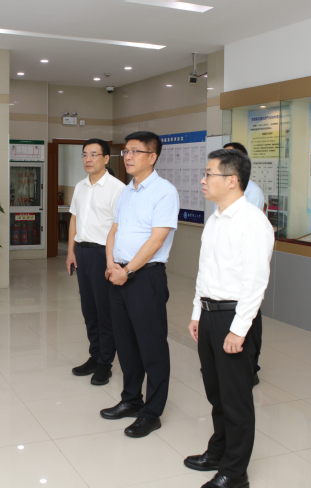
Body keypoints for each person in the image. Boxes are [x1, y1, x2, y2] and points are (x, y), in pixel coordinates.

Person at [185, 149, 273, 488]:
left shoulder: (253, 222)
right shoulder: (215, 219)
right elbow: (205, 272)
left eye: (209, 174)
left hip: (235, 318)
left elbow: (255, 283)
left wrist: (238, 330)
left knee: (236, 399)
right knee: (216, 392)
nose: (203, 180)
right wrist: (197, 313)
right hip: (210, 315)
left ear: (232, 180)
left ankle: (235, 472)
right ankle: (218, 451)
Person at [99, 131, 179, 438]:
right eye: (126, 151)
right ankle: (131, 399)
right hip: (118, 274)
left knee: (152, 346)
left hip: (145, 278)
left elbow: (157, 240)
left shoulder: (164, 192)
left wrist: (128, 271)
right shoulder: (127, 191)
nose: (128, 157)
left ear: (152, 157)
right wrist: (111, 264)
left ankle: (152, 412)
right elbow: (114, 231)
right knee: (126, 344)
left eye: (135, 151)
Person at [66, 139, 125, 386]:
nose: (88, 159)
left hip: (104, 254)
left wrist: (111, 262)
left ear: (106, 158)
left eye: (93, 154)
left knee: (104, 311)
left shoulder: (117, 188)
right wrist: (71, 251)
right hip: (82, 252)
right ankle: (95, 355)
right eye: (84, 155)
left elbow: (119, 227)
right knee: (88, 309)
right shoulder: (80, 186)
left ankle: (105, 363)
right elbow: (74, 219)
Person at [222, 141, 266, 386]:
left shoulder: (252, 192)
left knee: (249, 315)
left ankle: (252, 367)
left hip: (244, 267)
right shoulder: (222, 191)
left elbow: (247, 231)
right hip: (226, 272)